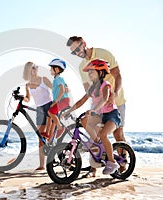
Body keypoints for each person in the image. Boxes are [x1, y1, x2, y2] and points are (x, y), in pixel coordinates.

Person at [67, 36, 126, 177]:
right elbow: (89, 92)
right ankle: (95, 167)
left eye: (77, 48)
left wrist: (115, 93)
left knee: (117, 134)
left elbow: (117, 75)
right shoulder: (82, 67)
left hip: (114, 99)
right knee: (91, 130)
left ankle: (122, 166)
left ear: (84, 44)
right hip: (99, 106)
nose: (77, 52)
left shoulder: (103, 54)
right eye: (73, 52)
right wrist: (89, 110)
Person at [23, 61, 53, 170]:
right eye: (33, 68)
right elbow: (28, 98)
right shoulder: (28, 84)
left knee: (49, 136)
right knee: (41, 137)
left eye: (36, 67)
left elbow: (55, 88)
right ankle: (42, 165)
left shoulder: (43, 79)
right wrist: (23, 98)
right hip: (39, 109)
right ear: (28, 70)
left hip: (49, 107)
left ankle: (53, 162)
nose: (36, 69)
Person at [46, 58, 70, 140]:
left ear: (56, 69)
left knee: (50, 112)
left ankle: (60, 128)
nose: (50, 70)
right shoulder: (59, 79)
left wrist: (55, 101)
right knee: (51, 116)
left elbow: (62, 90)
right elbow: (65, 88)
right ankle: (50, 135)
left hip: (63, 101)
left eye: (51, 68)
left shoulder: (57, 79)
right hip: (63, 100)